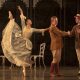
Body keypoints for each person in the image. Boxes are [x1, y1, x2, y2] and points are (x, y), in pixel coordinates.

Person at [18, 6, 48, 76]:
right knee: (23, 56)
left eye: (30, 21)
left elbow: (40, 30)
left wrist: (47, 29)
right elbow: (22, 18)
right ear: (27, 22)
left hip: (28, 43)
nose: (30, 21)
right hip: (22, 43)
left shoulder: (32, 29)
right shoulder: (23, 26)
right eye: (29, 20)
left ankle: (26, 66)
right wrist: (21, 10)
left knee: (27, 56)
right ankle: (24, 69)